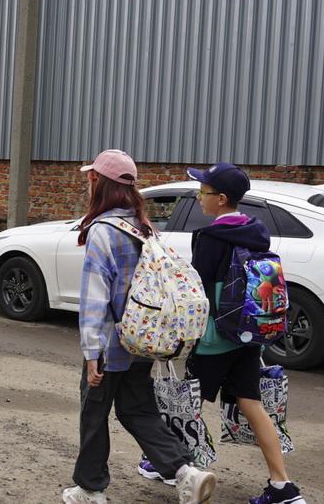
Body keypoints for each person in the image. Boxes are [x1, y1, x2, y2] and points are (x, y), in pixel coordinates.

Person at [63, 149, 216, 504]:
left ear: (96, 181)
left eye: (92, 176)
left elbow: (95, 301)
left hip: (110, 345)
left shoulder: (102, 231)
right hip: (144, 340)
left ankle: (90, 489)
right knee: (137, 410)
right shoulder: (144, 227)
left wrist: (91, 354)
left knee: (94, 415)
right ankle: (185, 473)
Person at [171, 163, 304, 504]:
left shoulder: (210, 237)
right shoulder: (256, 230)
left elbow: (198, 294)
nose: (199, 197)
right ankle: (282, 486)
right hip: (248, 333)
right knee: (251, 404)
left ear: (221, 199)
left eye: (204, 192)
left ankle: (177, 466)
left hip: (216, 337)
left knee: (188, 403)